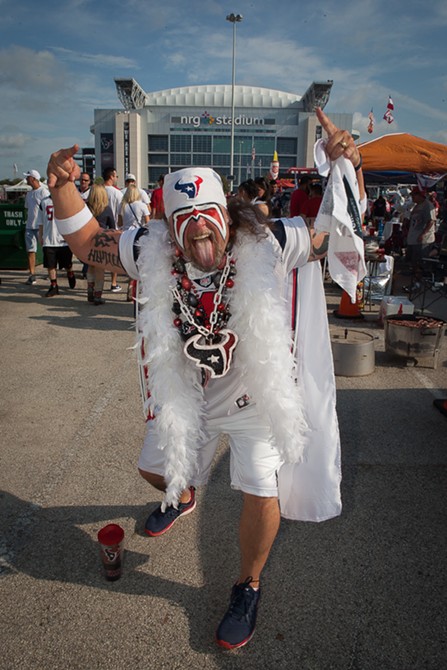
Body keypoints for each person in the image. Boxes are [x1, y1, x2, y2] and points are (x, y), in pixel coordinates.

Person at [47, 107, 365, 650]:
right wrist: (60, 190)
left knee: (261, 490)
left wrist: (348, 166)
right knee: (153, 471)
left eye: (207, 213)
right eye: (185, 216)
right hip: (188, 399)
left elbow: (334, 232)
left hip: (251, 400)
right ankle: (185, 494)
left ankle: (248, 585)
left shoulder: (267, 242)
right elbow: (88, 243)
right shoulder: (151, 250)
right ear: (170, 225)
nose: (198, 225)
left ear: (226, 214)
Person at [38, 194, 76, 297]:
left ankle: (70, 273)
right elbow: (40, 221)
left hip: (63, 239)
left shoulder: (66, 200)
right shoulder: (44, 202)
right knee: (50, 265)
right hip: (49, 239)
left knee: (67, 263)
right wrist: (40, 235)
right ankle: (54, 286)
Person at [86, 184, 115, 305]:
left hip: (87, 239)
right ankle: (98, 294)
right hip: (101, 240)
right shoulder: (106, 208)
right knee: (100, 269)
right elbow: (112, 226)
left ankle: (90, 288)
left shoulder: (85, 208)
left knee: (90, 266)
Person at [23, 170, 50, 285]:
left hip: (41, 226)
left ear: (33, 178)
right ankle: (32, 275)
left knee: (47, 250)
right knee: (30, 251)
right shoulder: (29, 194)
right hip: (29, 226)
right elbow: (27, 208)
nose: (26, 179)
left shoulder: (44, 192)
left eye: (28, 177)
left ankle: (50, 273)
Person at [406, 187, 435, 281]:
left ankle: (420, 280)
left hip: (423, 240)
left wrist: (423, 234)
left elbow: (431, 221)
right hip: (414, 238)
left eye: (414, 195)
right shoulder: (417, 205)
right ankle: (415, 278)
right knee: (414, 260)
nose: (412, 197)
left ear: (419, 195)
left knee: (420, 261)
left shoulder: (428, 205)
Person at [102, 167, 123, 293]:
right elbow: (121, 213)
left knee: (97, 258)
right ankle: (113, 282)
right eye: (116, 176)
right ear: (111, 176)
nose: (116, 179)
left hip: (98, 227)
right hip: (114, 227)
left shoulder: (96, 191)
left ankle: (94, 286)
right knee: (113, 257)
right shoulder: (117, 193)